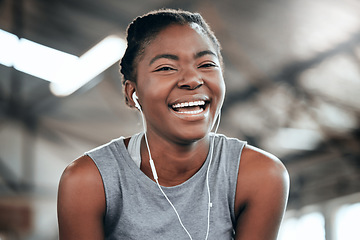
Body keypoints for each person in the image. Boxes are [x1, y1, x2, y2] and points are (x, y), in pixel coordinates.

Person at [57, 8, 289, 240]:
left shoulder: (259, 175)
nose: (192, 79)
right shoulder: (89, 181)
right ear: (132, 93)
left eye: (206, 64)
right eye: (166, 68)